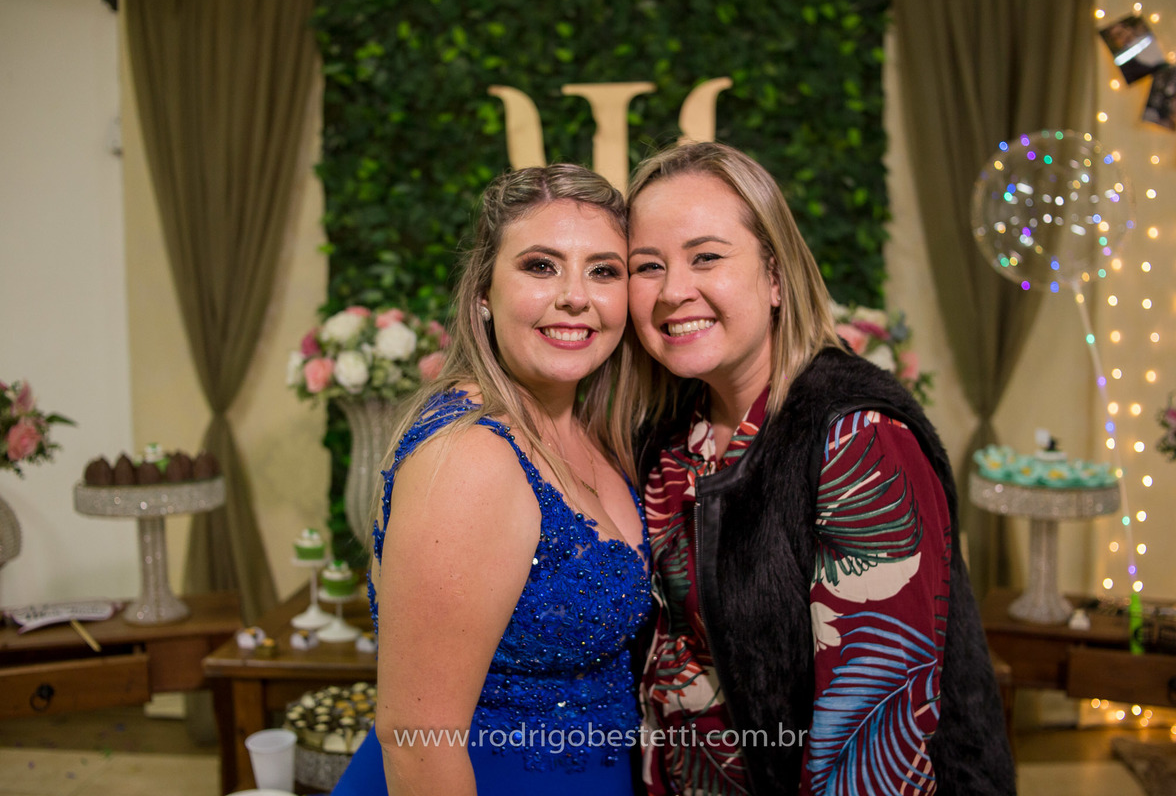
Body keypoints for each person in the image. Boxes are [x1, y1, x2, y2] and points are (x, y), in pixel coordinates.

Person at [626, 142, 1015, 795]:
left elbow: (873, 744)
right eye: (647, 266)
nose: (673, 291)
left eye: (707, 257)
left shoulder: (857, 438)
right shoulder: (667, 441)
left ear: (775, 277)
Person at [333, 164, 652, 795]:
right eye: (540, 266)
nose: (575, 296)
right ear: (484, 291)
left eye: (603, 270)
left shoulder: (591, 429)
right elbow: (415, 741)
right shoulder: (470, 456)